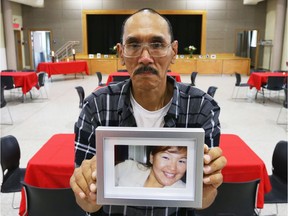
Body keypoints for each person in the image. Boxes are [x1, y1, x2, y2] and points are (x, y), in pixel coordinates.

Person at [70, 8, 227, 216]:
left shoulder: (202, 108)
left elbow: (204, 200)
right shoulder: (96, 107)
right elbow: (87, 204)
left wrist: (205, 190)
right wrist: (86, 193)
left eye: (157, 44)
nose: (145, 58)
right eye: (134, 45)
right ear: (121, 54)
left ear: (174, 51)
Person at [115, 146, 187, 188]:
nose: (173, 168)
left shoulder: (185, 192)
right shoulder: (127, 168)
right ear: (152, 158)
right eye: (165, 157)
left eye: (181, 161)